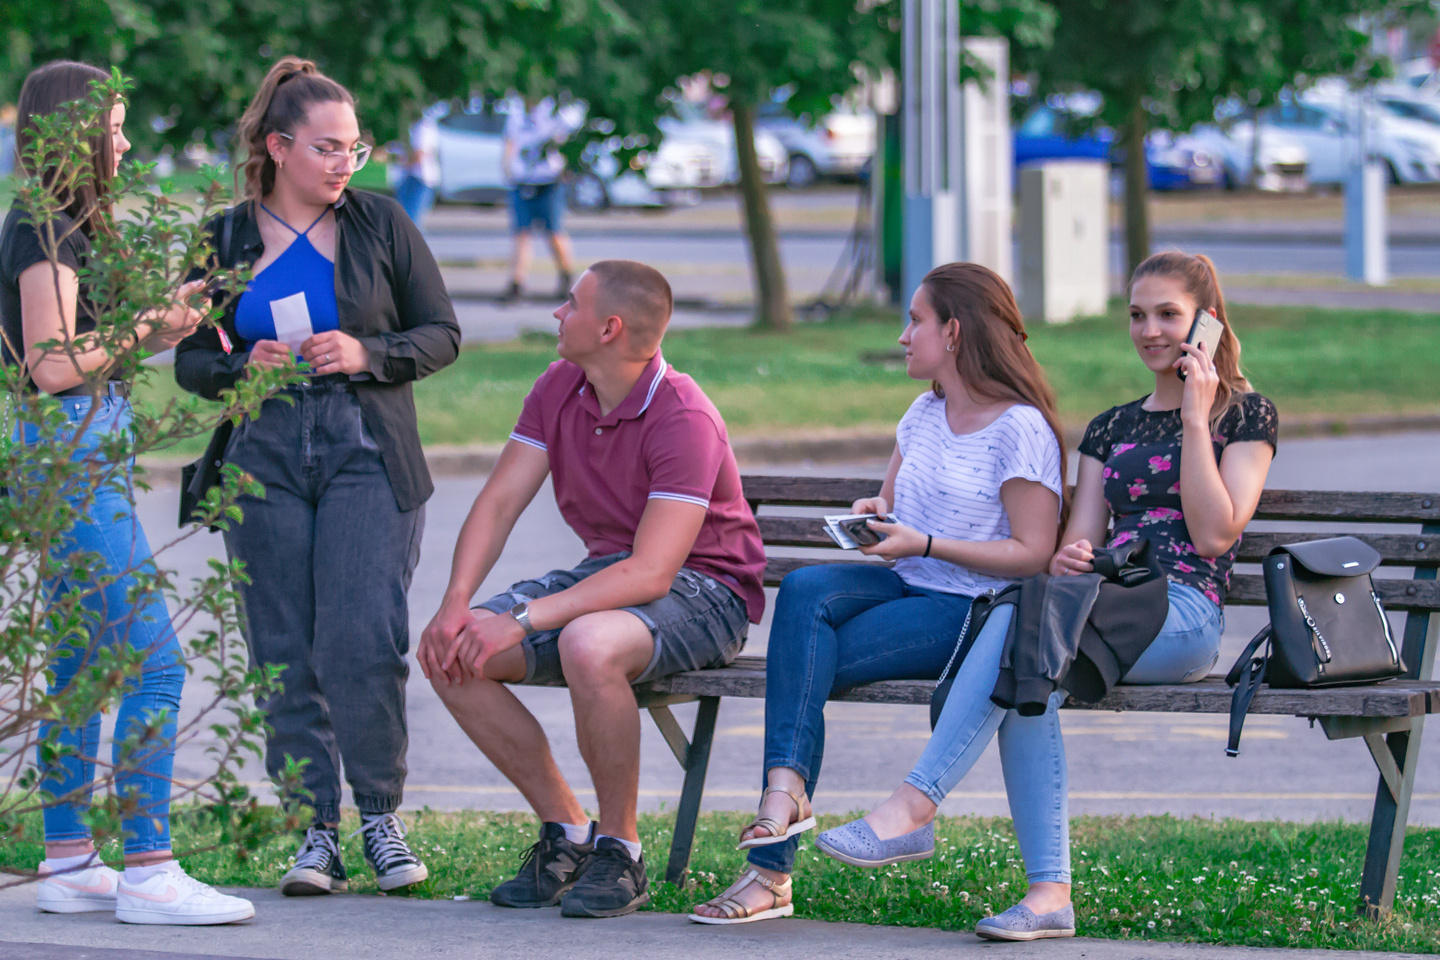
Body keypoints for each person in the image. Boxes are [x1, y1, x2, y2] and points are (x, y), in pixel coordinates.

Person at [811, 251, 1277, 942]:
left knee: (1027, 645)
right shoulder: (1111, 427)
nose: (1149, 330)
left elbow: (1214, 534)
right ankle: (1048, 897)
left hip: (1181, 613)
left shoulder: (1242, 415)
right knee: (1029, 671)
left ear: (1207, 322)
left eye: (1168, 315)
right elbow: (1074, 544)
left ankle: (914, 806)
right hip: (1101, 603)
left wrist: (1194, 418)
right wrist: (1074, 551)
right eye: (1137, 315)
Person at [689, 262, 1066, 925]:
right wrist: (878, 511)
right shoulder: (924, 412)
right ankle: (786, 794)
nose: (902, 336)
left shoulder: (1020, 428)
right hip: (904, 584)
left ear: (952, 332)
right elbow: (894, 500)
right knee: (806, 587)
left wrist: (923, 543)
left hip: (972, 612)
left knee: (800, 664)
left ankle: (769, 870)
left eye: (915, 320)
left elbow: (1032, 554)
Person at [174, 56, 461, 897]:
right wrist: (240, 367)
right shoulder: (225, 237)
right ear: (278, 146)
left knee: (361, 639)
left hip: (364, 448)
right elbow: (190, 359)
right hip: (261, 452)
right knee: (283, 647)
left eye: (355, 149)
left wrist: (368, 351)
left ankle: (379, 815)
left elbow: (441, 334)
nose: (345, 164)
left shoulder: (381, 225)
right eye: (329, 148)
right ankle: (315, 832)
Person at [418, 259, 765, 919]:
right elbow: (498, 502)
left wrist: (520, 619)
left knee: (588, 644)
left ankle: (621, 850)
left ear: (608, 328)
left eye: (570, 303)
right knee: (452, 652)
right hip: (607, 571)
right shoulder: (559, 386)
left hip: (706, 591)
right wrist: (456, 605)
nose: (557, 313)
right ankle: (567, 834)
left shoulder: (683, 415)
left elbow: (652, 573)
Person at [4, 59, 254, 925]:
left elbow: (82, 351)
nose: (126, 141)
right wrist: (154, 324)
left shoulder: (64, 225)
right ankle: (150, 870)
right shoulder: (41, 230)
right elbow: (49, 367)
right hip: (66, 453)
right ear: (73, 133)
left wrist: (162, 321)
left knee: (80, 664)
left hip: (81, 447)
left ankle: (69, 858)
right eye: (112, 127)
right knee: (156, 662)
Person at [501, 95, 579, 301]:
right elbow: (510, 141)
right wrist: (508, 168)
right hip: (523, 181)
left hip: (549, 181)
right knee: (521, 233)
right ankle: (517, 282)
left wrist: (566, 167)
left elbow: (565, 139)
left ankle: (566, 276)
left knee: (553, 232)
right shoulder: (516, 111)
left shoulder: (552, 109)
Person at [394, 106, 440, 233]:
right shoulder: (419, 126)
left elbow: (420, 154)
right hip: (414, 176)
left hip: (420, 178)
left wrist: (405, 163)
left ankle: (414, 250)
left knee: (410, 219)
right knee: (406, 219)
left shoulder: (422, 127)